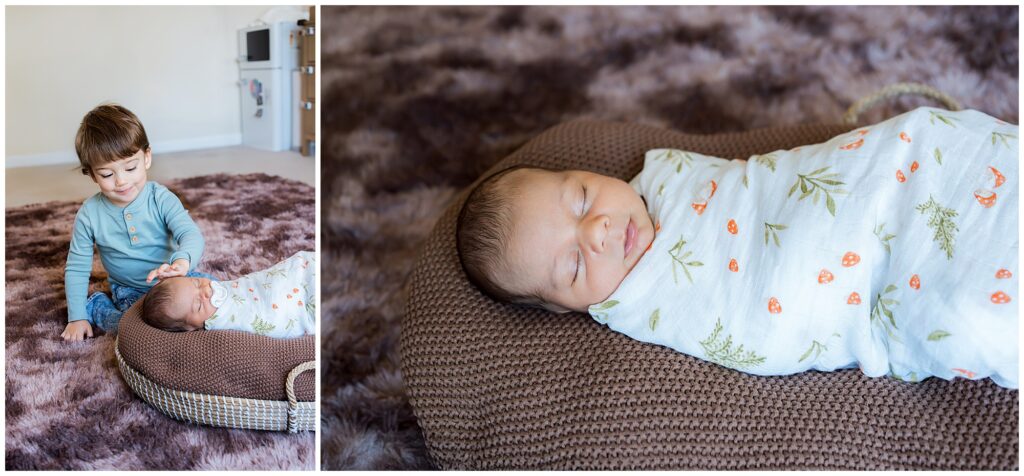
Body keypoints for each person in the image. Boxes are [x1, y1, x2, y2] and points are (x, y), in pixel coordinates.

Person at [456, 107, 1018, 388]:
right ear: (565, 308)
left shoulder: (666, 174)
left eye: (580, 199)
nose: (599, 230)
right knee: (960, 314)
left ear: (582, 171)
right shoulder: (640, 308)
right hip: (862, 282)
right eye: (574, 264)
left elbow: (765, 182)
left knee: (923, 137)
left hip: (876, 181)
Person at [61, 104, 210, 341]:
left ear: (147, 157)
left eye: (130, 167)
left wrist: (182, 262)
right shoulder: (89, 214)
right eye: (107, 175)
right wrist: (76, 316)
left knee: (218, 297)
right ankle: (96, 306)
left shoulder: (161, 198)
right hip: (130, 290)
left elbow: (190, 235)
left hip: (175, 280)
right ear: (91, 174)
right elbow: (77, 268)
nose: (121, 181)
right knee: (137, 329)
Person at [141, 251, 315, 338]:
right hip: (286, 306)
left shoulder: (213, 287)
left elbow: (254, 284)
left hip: (289, 279)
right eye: (199, 305)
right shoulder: (217, 326)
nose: (206, 291)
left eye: (196, 283)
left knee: (302, 267)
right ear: (190, 328)